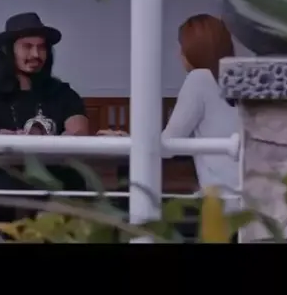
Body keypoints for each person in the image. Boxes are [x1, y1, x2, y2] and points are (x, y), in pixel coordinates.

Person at [99, 14, 241, 219]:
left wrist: (128, 140)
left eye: (182, 47)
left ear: (194, 50)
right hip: (249, 197)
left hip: (222, 202)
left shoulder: (199, 79)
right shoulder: (239, 77)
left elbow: (167, 145)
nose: (178, 54)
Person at [0, 12, 90, 223]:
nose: (36, 54)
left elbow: (79, 132)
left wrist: (64, 139)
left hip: (54, 179)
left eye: (42, 47)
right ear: (8, 50)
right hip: (1, 180)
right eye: (27, 47)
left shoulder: (63, 93)